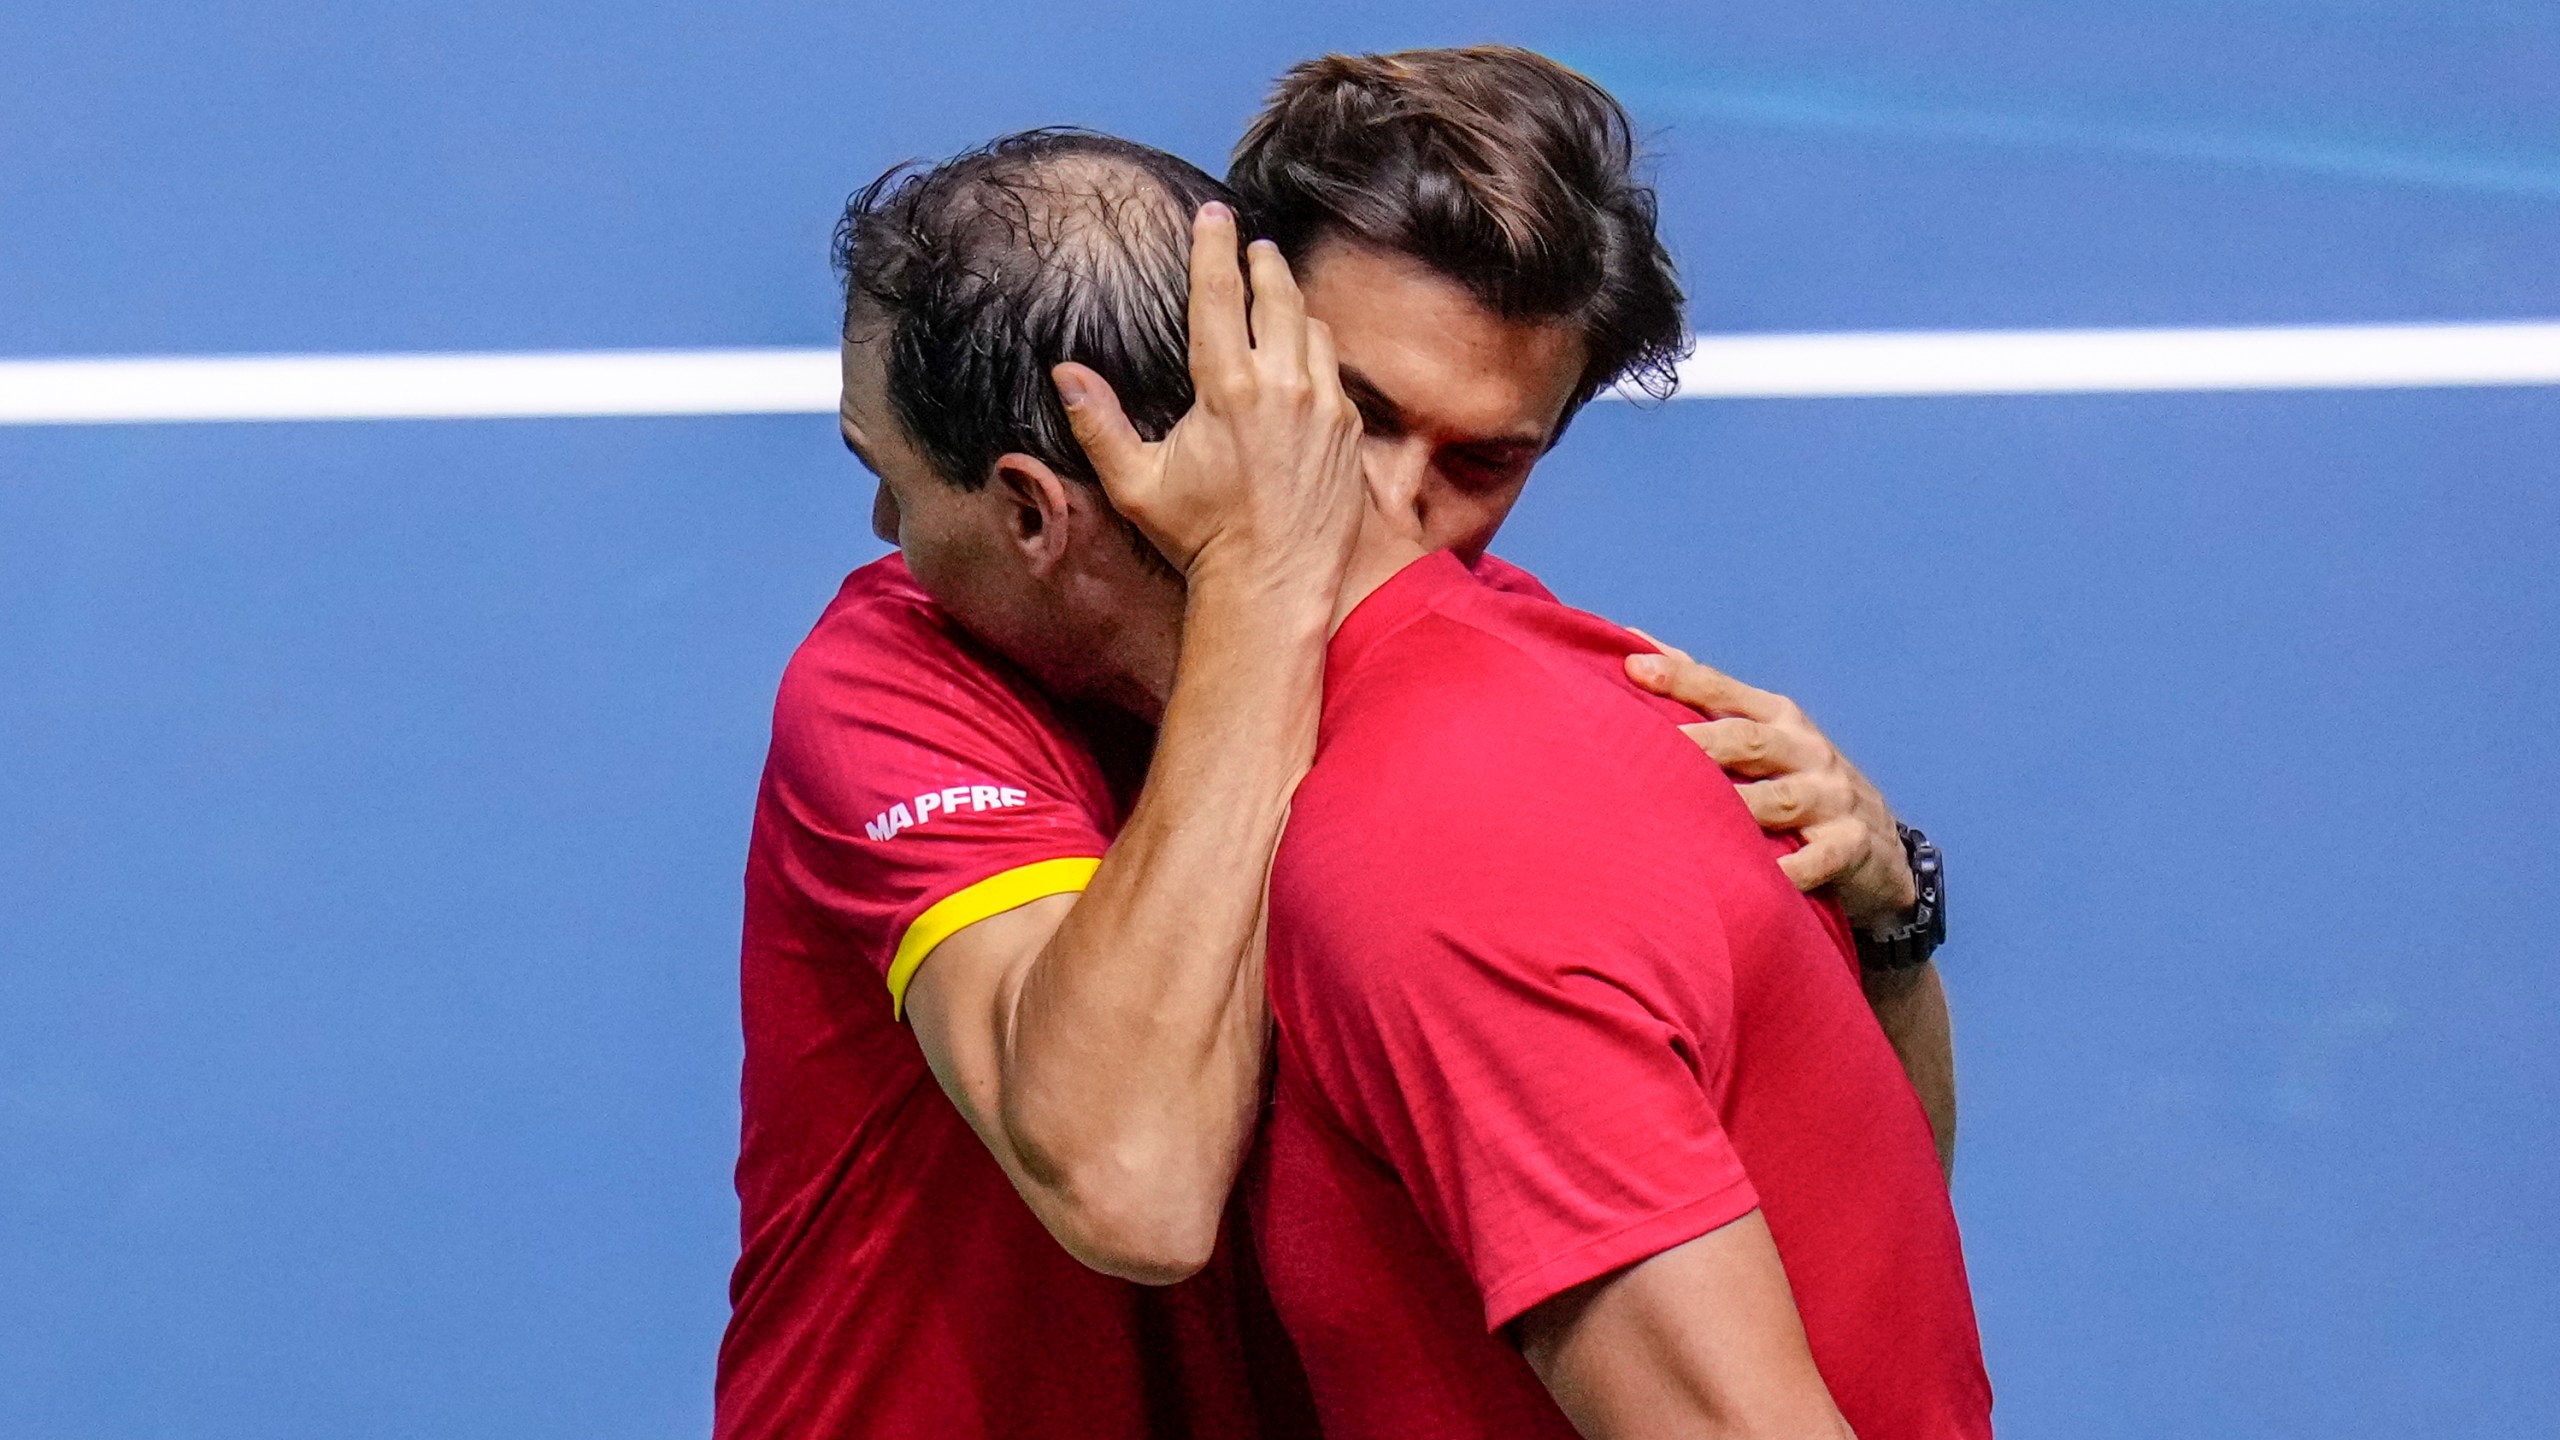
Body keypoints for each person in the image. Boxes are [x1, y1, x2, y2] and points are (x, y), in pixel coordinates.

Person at [717, 47, 1961, 1440]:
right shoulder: (898, 680)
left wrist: (1893, 923)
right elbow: (1129, 1173)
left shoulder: (1494, 773)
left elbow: (1844, 1222)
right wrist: (1260, 602)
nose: (1379, 506)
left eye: (1483, 460)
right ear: (1246, 346)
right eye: (1349, 415)